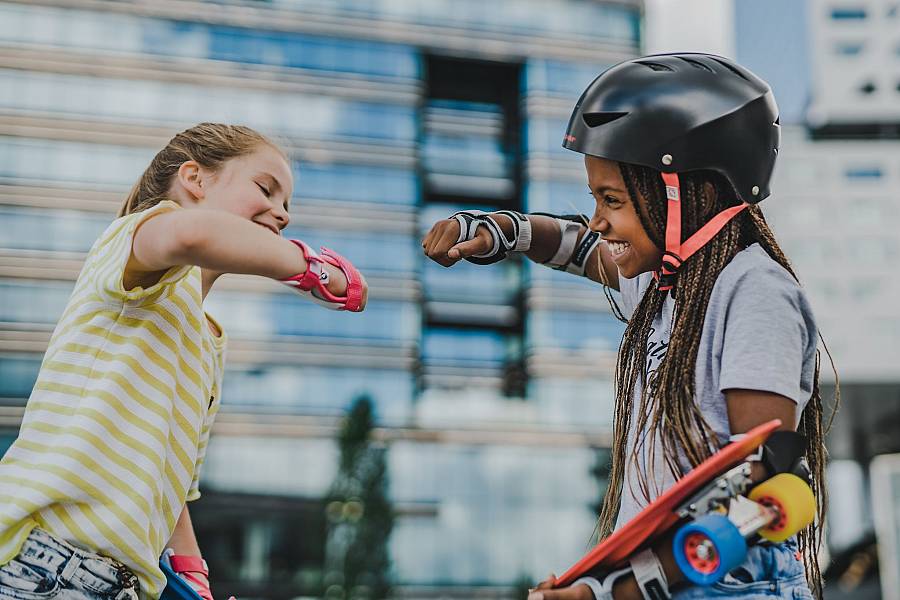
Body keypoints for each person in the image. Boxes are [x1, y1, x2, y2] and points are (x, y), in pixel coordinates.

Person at [422, 53, 836, 599]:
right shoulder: (666, 280)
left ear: (694, 195)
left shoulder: (753, 292)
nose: (597, 219)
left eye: (611, 199)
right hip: (662, 582)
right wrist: (500, 229)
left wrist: (605, 592)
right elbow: (574, 244)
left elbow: (761, 489)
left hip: (730, 586)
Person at [0, 123, 368, 600]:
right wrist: (311, 268)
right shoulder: (135, 244)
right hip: (43, 563)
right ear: (195, 179)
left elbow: (172, 490)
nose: (281, 213)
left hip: (121, 585)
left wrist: (194, 578)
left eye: (287, 206)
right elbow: (191, 234)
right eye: (266, 189)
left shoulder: (209, 342)